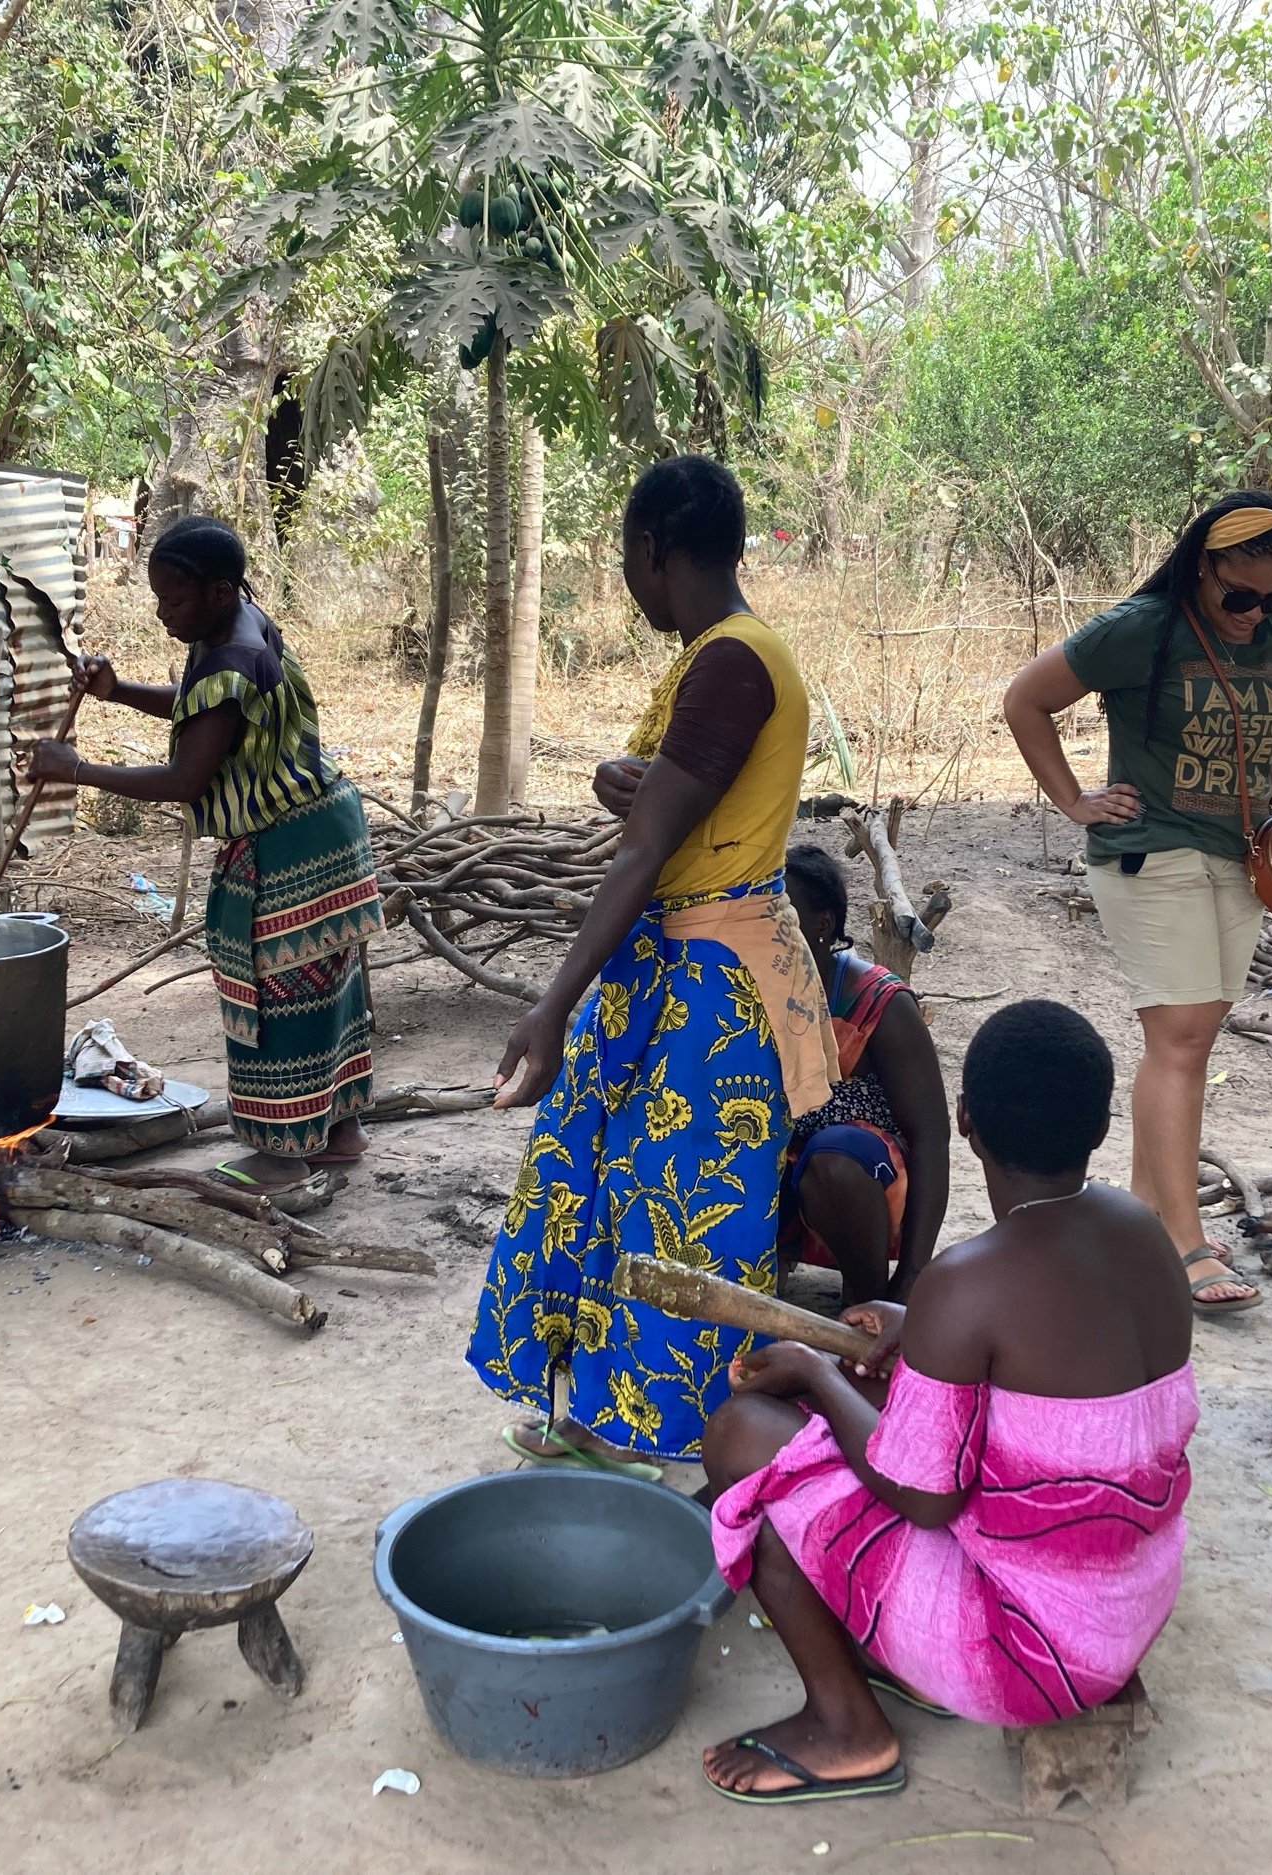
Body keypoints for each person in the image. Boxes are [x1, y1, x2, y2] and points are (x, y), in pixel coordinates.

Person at [699, 999, 1196, 1804]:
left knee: (743, 1436)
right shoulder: (1142, 1232)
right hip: (1126, 1610)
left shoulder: (969, 1280)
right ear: (1101, 1128)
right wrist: (918, 1332)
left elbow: (926, 1496)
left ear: (964, 1121)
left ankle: (846, 1728)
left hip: (1027, 1654)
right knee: (862, 1411)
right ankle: (898, 1658)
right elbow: (1064, 1396)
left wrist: (815, 1373)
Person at [468, 455, 834, 1478]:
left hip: (708, 984)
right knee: (613, 1182)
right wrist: (618, 779)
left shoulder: (731, 662)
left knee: (679, 1210)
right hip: (677, 969)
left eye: (625, 561)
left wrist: (550, 1005)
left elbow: (646, 849)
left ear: (651, 550)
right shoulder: (717, 658)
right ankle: (604, 1417)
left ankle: (675, 1439)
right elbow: (667, 802)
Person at [999, 491, 1272, 1316]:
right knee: (1177, 1038)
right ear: (1202, 569)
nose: (1257, 613)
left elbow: (1271, 736)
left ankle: (1144, 1209)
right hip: (1151, 851)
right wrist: (1074, 801)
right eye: (1240, 595)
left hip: (1237, 858)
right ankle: (1181, 1241)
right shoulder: (1141, 627)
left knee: (1193, 1042)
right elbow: (1026, 699)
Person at [18, 516, 382, 1190]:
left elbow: (185, 778)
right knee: (326, 986)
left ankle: (280, 1155)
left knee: (279, 999)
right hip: (324, 827)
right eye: (157, 599)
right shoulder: (237, 624)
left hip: (291, 845)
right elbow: (201, 709)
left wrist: (74, 769)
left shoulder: (228, 657)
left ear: (218, 591)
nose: (162, 614)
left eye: (174, 601)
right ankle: (339, 1129)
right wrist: (117, 690)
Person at [776, 844, 950, 1308]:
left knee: (835, 1157)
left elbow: (931, 1136)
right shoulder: (747, 991)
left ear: (823, 925)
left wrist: (913, 1274)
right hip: (783, 1167)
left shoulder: (880, 1003)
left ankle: (866, 1297)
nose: (765, 928)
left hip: (862, 1181)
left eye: (780, 913)